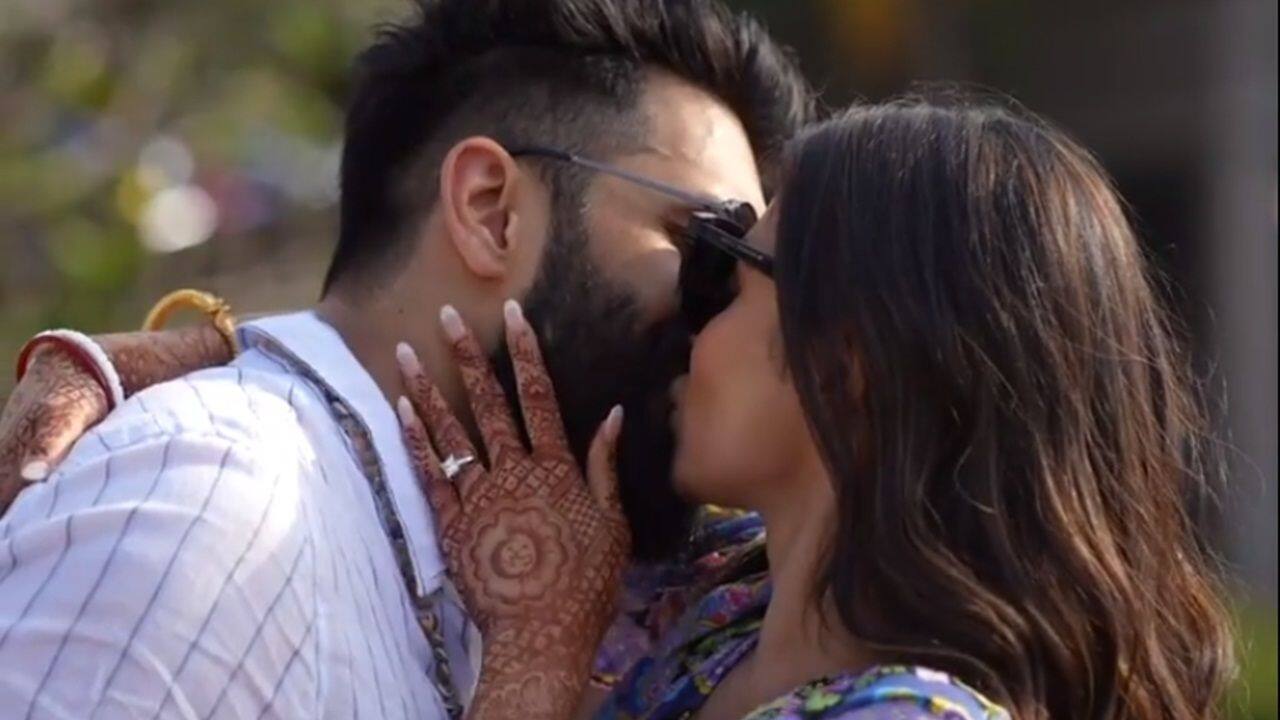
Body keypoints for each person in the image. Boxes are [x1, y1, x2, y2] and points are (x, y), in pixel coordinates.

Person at [0, 0, 811, 716]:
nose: (719, 316)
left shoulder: (556, 583)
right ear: (491, 212)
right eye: (705, 249)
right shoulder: (214, 512)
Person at [394, 96, 1236, 718]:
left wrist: (533, 669)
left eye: (724, 277)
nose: (687, 326)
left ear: (845, 361)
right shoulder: (716, 612)